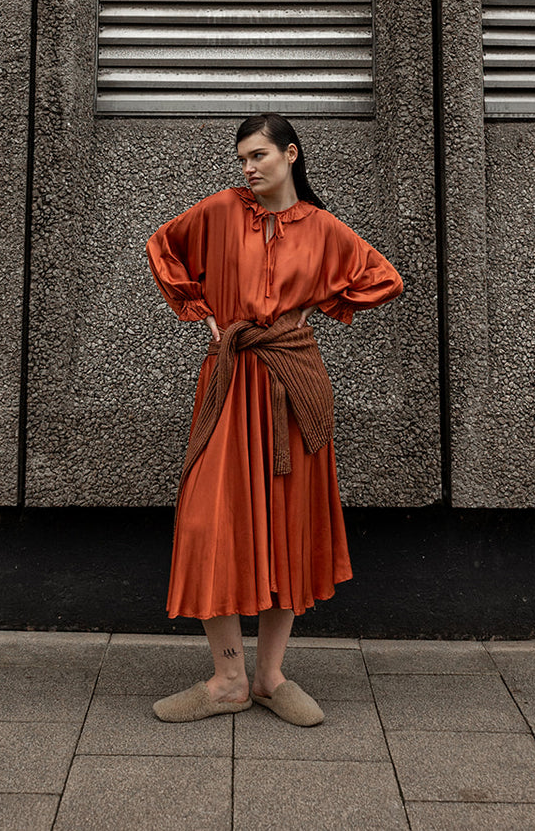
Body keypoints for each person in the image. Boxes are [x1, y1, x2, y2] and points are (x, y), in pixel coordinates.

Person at [145, 111, 403, 727]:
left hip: (292, 384)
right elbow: (163, 247)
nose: (248, 167)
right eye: (241, 158)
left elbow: (384, 278)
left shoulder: (322, 229)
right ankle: (227, 677)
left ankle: (268, 677)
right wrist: (206, 314)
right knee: (210, 519)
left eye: (259, 155)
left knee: (287, 523)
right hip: (231, 379)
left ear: (291, 155)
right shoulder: (218, 212)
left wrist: (322, 304)